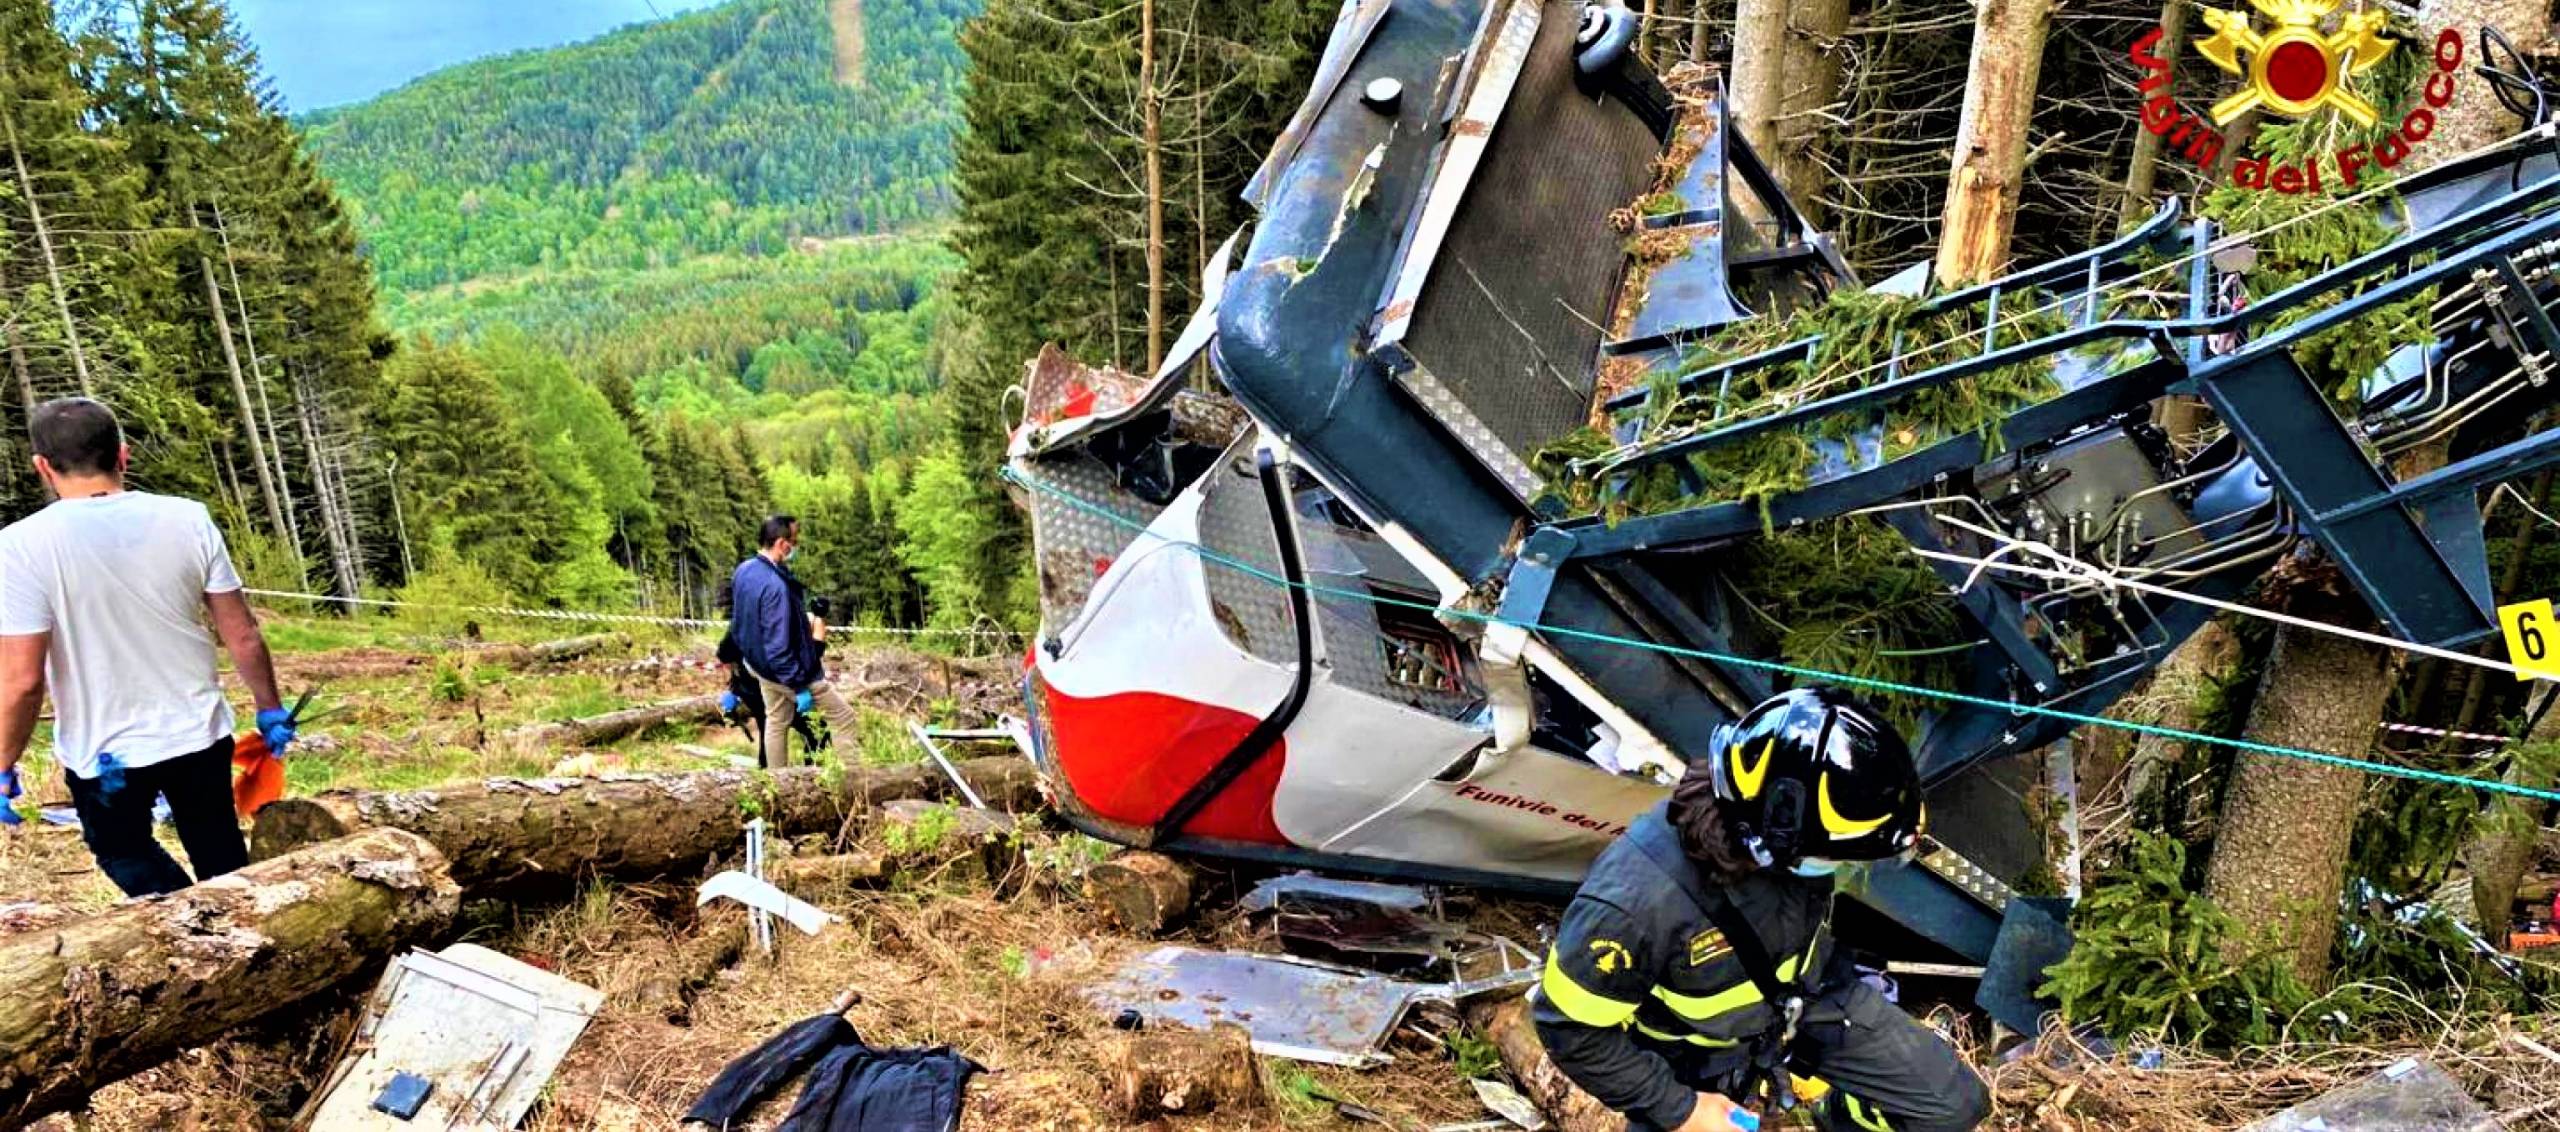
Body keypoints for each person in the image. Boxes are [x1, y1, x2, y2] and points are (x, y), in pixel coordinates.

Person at [1533, 687, 1990, 1132]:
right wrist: (1682, 1111)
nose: (1842, 869)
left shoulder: (1786, 827)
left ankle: (1838, 1116)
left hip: (1806, 1001)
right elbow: (1570, 1028)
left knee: (1952, 1105)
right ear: (1775, 839)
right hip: (1689, 1059)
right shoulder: (1634, 903)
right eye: (1839, 858)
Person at [0, 398, 297, 897]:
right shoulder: (188, 519)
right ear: (123, 454)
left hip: (104, 750)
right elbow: (242, 632)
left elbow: (23, 679)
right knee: (219, 847)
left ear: (43, 466)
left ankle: (191, 925)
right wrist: (270, 709)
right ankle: (232, 924)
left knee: (123, 850)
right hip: (197, 730)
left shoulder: (20, 546)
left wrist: (4, 761)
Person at [730, 514, 860, 770]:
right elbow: (778, 645)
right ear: (781, 543)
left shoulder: (745, 570)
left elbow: (743, 621)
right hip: (786, 670)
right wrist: (799, 686)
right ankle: (854, 784)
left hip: (759, 665)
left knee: (777, 719)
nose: (795, 546)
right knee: (844, 716)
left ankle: (778, 785)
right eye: (794, 541)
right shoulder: (774, 586)